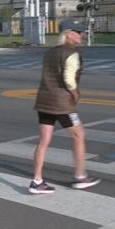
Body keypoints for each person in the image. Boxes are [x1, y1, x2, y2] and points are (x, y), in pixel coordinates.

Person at [29, 19, 101, 194]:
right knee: (79, 135)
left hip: (44, 100)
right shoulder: (72, 53)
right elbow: (68, 78)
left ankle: (37, 181)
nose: (82, 35)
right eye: (78, 32)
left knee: (44, 141)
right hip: (62, 104)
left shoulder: (50, 52)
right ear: (68, 34)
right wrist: (75, 93)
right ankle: (80, 176)